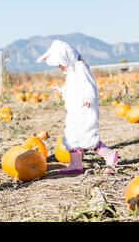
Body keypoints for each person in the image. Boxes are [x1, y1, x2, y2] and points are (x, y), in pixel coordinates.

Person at [37, 40, 118, 174]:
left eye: (60, 64)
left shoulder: (80, 67)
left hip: (85, 111)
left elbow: (89, 85)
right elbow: (73, 90)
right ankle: (76, 164)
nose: (59, 67)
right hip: (74, 113)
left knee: (88, 138)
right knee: (71, 137)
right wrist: (62, 90)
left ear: (67, 58)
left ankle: (110, 155)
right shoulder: (71, 73)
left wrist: (88, 98)